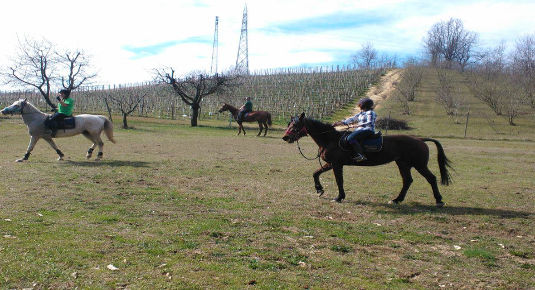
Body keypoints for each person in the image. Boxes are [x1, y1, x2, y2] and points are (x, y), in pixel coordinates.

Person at [333, 97, 377, 162]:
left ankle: (361, 155)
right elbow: (352, 118)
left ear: (364, 105)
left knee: (350, 138)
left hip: (368, 130)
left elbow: (369, 122)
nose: (359, 105)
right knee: (345, 135)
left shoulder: (370, 112)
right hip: (360, 130)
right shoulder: (362, 113)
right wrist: (340, 123)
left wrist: (356, 125)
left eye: (360, 104)